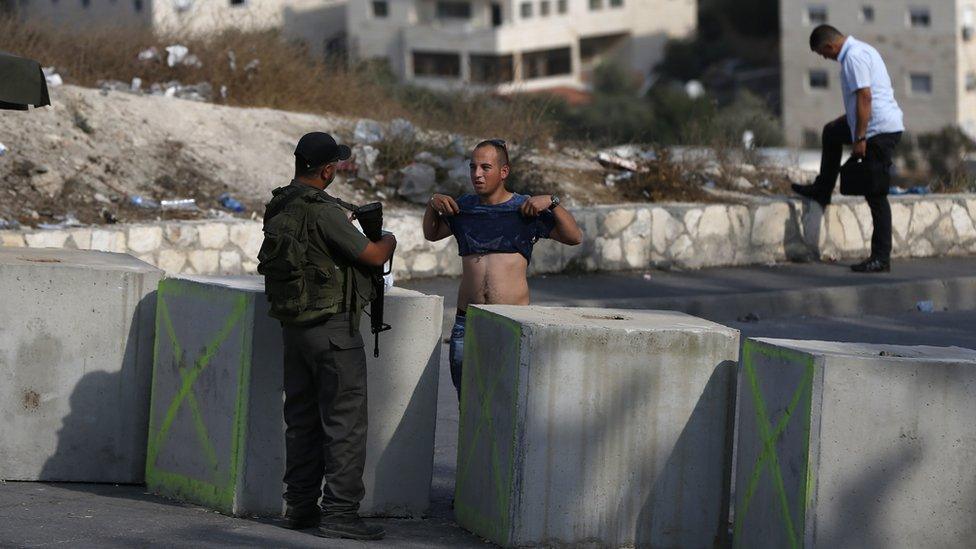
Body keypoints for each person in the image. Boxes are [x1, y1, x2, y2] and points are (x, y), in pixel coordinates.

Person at [257, 132, 396, 540]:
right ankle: (340, 513)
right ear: (328, 169)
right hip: (333, 330)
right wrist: (387, 239)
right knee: (345, 422)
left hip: (294, 327)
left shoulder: (281, 203)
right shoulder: (323, 211)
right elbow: (371, 256)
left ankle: (300, 507)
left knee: (301, 420)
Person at [423, 139, 583, 401]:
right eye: (473, 167)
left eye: (485, 167)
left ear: (504, 172)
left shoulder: (525, 209)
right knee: (469, 402)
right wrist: (432, 203)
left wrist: (553, 202)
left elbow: (574, 236)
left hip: (512, 323)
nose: (477, 174)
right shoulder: (464, 208)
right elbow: (431, 233)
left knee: (508, 403)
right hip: (468, 323)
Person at [792, 24, 904, 273]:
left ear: (829, 46)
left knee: (876, 195)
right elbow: (862, 99)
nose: (824, 58)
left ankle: (880, 258)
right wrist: (849, 123)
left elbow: (865, 97)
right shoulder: (860, 51)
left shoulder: (853, 57)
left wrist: (860, 137)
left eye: (823, 53)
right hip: (875, 125)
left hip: (879, 131)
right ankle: (823, 190)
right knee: (831, 132)